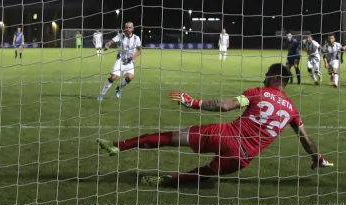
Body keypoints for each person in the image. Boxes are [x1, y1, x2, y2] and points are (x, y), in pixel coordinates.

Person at [98, 63, 332, 187]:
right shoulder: (292, 110)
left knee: (170, 138)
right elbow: (305, 139)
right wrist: (317, 159)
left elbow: (225, 106)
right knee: (206, 173)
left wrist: (193, 102)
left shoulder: (258, 92)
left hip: (222, 134)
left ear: (273, 78)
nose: (263, 77)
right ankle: (166, 181)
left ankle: (119, 146)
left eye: (266, 74)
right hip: (241, 158)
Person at [99, 21, 142, 100]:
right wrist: (107, 45)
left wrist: (134, 56)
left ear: (133, 29)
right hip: (120, 60)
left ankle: (118, 87)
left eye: (129, 27)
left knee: (130, 77)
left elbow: (140, 51)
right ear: (124, 29)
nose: (128, 29)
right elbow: (110, 42)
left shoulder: (137, 38)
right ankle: (102, 94)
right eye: (126, 27)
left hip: (129, 61)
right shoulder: (120, 36)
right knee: (113, 77)